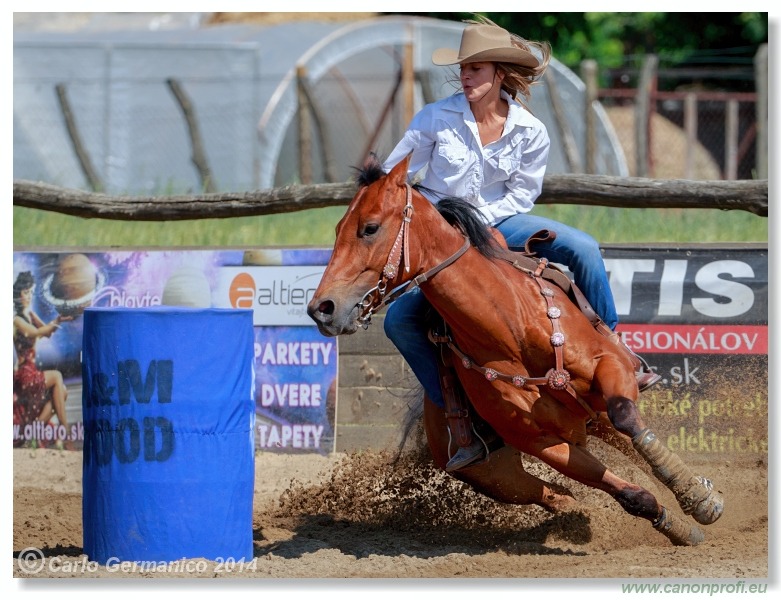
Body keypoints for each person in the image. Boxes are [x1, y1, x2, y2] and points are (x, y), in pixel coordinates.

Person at [382, 18, 660, 472]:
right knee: (399, 321)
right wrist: (438, 226)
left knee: (583, 248)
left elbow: (523, 194)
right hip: (442, 236)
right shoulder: (434, 118)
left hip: (504, 222)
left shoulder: (531, 130)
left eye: (476, 68)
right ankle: (456, 414)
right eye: (464, 69)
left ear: (499, 74)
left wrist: (482, 227)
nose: (466, 76)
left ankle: (615, 348)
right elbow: (394, 179)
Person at [13, 271, 73, 448]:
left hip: (33, 372)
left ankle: (34, 430)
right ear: (18, 294)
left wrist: (59, 319)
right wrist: (54, 323)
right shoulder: (16, 320)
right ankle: (66, 435)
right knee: (56, 376)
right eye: (25, 292)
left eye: (31, 291)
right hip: (24, 375)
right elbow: (38, 333)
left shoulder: (30, 314)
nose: (29, 296)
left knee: (62, 392)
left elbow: (47, 331)